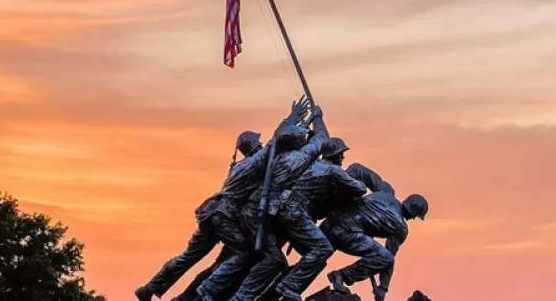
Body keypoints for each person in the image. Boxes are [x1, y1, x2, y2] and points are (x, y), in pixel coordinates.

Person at [135, 98, 310, 301]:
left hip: (210, 212)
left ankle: (149, 288)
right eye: (258, 142)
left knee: (188, 256)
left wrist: (302, 126)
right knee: (244, 254)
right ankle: (206, 293)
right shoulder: (254, 162)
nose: (261, 143)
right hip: (224, 215)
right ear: (253, 146)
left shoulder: (237, 166)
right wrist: (294, 118)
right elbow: (275, 142)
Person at [227, 104, 330, 301]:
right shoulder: (295, 159)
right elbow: (321, 140)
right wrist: (317, 118)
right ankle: (250, 296)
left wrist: (295, 119)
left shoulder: (271, 156)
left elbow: (277, 137)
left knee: (273, 261)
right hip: (268, 213)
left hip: (258, 212)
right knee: (311, 251)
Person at [322, 163, 428, 301]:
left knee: (315, 257)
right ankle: (342, 275)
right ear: (414, 215)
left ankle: (291, 282)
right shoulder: (400, 228)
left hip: (332, 221)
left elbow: (357, 169)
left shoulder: (386, 191)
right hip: (346, 235)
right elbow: (388, 259)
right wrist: (383, 287)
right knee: (385, 258)